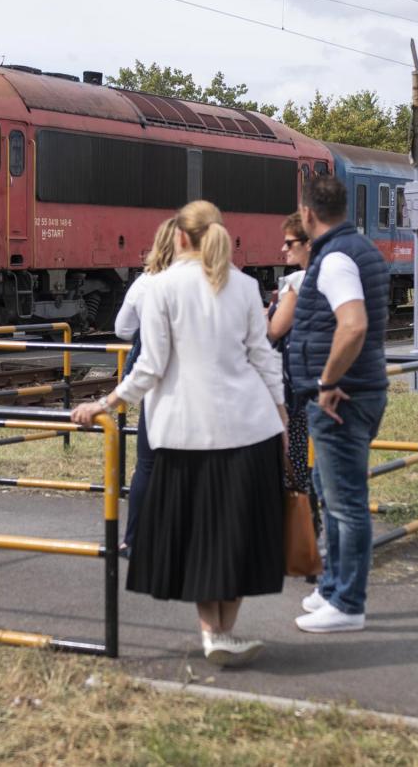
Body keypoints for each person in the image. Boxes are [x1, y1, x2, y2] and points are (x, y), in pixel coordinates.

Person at [72, 201, 286, 667]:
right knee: (238, 538)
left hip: (182, 433)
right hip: (251, 429)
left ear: (180, 238)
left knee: (196, 537)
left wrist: (104, 404)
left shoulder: (158, 288)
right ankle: (224, 633)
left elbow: (148, 368)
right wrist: (283, 416)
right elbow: (265, 358)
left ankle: (212, 632)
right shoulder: (246, 286)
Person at [289, 173, 390, 634]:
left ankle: (348, 603)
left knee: (345, 502)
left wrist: (327, 379)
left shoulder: (334, 260)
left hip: (340, 399)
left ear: (308, 215)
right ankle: (331, 589)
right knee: (330, 493)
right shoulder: (359, 249)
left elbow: (352, 325)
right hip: (356, 392)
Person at [112, 217, 178, 557]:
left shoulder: (145, 283)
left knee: (148, 465)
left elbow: (123, 329)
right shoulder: (209, 282)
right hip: (194, 388)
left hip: (154, 388)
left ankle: (134, 539)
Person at [266, 213, 318, 547]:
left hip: (294, 381)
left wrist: (268, 311)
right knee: (307, 458)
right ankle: (308, 533)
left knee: (292, 457)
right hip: (317, 378)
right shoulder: (331, 275)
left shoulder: (298, 283)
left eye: (290, 243)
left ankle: (296, 538)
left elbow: (274, 330)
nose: (283, 248)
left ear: (308, 244)